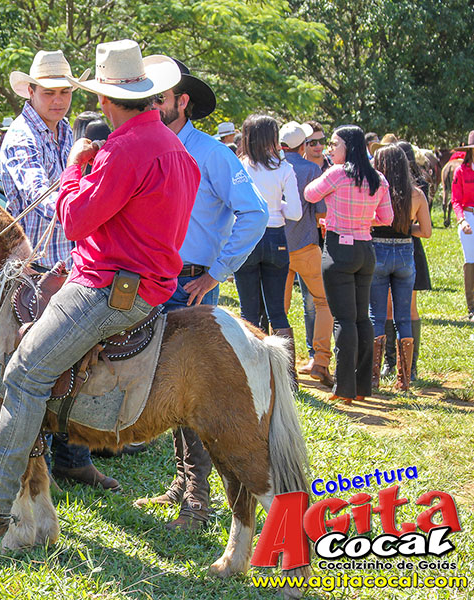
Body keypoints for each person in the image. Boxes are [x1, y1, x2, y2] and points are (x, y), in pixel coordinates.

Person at [0, 40, 198, 538]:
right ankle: (41, 493)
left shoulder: (121, 149)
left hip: (106, 286)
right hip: (151, 284)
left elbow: (72, 220)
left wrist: (76, 166)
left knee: (23, 373)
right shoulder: (175, 147)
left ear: (104, 99)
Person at [132, 59, 267, 531]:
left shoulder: (211, 154)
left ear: (182, 101)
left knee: (192, 392)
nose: (150, 105)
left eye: (159, 98)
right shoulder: (149, 147)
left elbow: (255, 212)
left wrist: (216, 272)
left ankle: (197, 501)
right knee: (163, 386)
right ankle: (183, 484)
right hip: (151, 282)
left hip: (188, 284)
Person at [0, 48, 119, 491]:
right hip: (38, 269)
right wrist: (86, 193)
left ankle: (73, 457)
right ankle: (42, 464)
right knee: (39, 365)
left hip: (72, 264)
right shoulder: (20, 137)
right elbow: (42, 198)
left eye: (65, 92)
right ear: (30, 91)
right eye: (49, 92)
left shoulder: (67, 132)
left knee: (75, 363)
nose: (59, 100)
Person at [304, 125, 393, 405]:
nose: (330, 149)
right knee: (361, 318)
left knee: (343, 320)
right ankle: (362, 385)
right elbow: (387, 218)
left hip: (339, 250)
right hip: (365, 249)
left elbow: (309, 194)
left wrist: (337, 219)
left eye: (334, 144)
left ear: (348, 147)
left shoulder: (337, 173)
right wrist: (361, 220)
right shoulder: (377, 178)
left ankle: (344, 388)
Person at [235, 115, 302, 359]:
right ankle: (288, 371)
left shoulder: (240, 167)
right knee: (278, 311)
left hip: (247, 236)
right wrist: (277, 206)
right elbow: (295, 213)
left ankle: (251, 365)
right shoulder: (284, 169)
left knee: (248, 311)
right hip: (276, 237)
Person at [369, 144, 432, 391]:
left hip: (378, 251)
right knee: (404, 316)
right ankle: (405, 378)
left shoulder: (374, 191)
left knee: (377, 315)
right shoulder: (417, 194)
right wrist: (405, 227)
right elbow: (426, 231)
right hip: (406, 252)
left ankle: (374, 376)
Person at [280, 121, 334, 386]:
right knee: (323, 302)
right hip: (306, 246)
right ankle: (321, 361)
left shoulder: (273, 167)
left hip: (278, 248)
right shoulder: (311, 169)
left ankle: (281, 364)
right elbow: (321, 211)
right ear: (302, 146)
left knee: (279, 308)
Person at [451, 130, 474, 322]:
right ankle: (472, 308)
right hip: (469, 216)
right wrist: (462, 220)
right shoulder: (461, 171)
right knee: (471, 260)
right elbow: (456, 200)